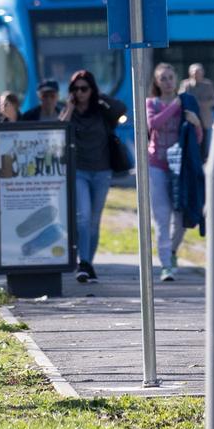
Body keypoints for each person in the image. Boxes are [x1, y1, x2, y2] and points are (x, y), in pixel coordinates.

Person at [61, 69, 122, 283]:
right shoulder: (70, 110)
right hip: (79, 171)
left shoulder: (101, 110)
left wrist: (100, 96)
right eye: (75, 89)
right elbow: (59, 130)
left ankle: (88, 263)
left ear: (91, 89)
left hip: (102, 172)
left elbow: (120, 109)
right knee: (83, 218)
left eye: (84, 88)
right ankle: (83, 262)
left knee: (94, 221)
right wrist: (69, 107)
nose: (80, 93)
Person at [145, 62, 203, 281]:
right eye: (163, 79)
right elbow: (154, 124)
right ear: (157, 82)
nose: (168, 82)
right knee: (162, 217)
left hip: (180, 168)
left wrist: (196, 124)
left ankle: (172, 251)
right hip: (156, 165)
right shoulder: (152, 103)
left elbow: (196, 141)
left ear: (176, 78)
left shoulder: (188, 103)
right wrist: (175, 105)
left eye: (170, 77)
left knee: (181, 218)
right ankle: (166, 266)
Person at [182, 63, 214, 147]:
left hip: (204, 117)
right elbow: (181, 98)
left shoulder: (208, 85)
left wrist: (201, 104)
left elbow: (213, 101)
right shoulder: (186, 85)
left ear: (202, 73)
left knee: (203, 140)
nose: (196, 75)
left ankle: (202, 157)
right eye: (194, 73)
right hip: (191, 116)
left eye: (198, 72)